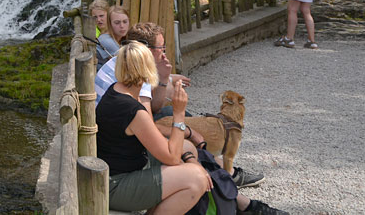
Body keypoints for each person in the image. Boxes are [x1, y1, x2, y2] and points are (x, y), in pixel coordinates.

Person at [96, 43, 287, 215]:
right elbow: (170, 156)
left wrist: (190, 157)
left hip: (117, 174)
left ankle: (237, 201)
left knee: (187, 151)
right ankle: (238, 202)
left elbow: (160, 141)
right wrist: (179, 113)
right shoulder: (132, 109)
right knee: (196, 180)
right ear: (147, 71)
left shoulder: (117, 91)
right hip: (116, 185)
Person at [96, 22, 264, 189]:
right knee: (191, 164)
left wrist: (163, 79)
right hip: (123, 167)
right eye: (161, 48)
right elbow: (148, 124)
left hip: (119, 145)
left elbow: (153, 109)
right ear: (145, 50)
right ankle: (224, 179)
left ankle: (223, 174)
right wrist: (181, 118)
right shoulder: (135, 79)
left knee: (182, 131)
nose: (164, 54)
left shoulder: (125, 67)